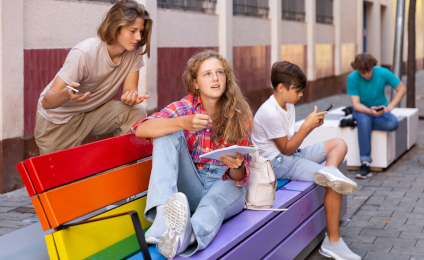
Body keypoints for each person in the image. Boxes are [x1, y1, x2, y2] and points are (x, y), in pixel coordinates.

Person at [132, 50, 253, 258]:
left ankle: (188, 236)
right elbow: (141, 129)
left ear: (226, 78)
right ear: (195, 82)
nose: (215, 78)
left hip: (225, 186)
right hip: (192, 185)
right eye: (207, 74)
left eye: (220, 72)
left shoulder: (240, 113)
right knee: (165, 131)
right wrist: (183, 123)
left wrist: (237, 166)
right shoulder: (186, 107)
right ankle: (162, 215)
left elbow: (240, 177)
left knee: (213, 202)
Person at [252, 61, 361, 260]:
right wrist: (306, 127)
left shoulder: (287, 104)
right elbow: (286, 149)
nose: (301, 95)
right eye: (297, 90)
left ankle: (330, 169)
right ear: (281, 88)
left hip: (291, 155)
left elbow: (292, 144)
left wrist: (311, 125)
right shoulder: (269, 112)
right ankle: (333, 242)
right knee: (334, 184)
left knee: (339, 143)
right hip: (275, 164)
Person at [35, 0, 152, 155]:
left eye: (141, 32)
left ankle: (123, 166)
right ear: (116, 27)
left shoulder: (134, 51)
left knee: (137, 111)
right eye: (133, 31)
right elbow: (47, 101)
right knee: (59, 178)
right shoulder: (84, 53)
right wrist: (66, 94)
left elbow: (129, 90)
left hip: (90, 113)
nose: (138, 37)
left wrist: (130, 97)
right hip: (57, 121)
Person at [347, 53, 406, 179]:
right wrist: (369, 111)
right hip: (362, 110)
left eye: (369, 71)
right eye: (363, 73)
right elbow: (356, 104)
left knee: (393, 123)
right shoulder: (352, 78)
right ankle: (365, 163)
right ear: (357, 70)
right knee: (364, 119)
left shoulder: (382, 72)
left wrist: (389, 108)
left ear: (373, 66)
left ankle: (363, 125)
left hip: (381, 110)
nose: (367, 75)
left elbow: (402, 89)